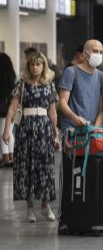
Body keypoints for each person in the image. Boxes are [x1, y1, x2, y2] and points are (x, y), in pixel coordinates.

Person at [2, 52, 60, 222]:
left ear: (43, 66)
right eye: (32, 65)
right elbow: (12, 108)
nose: (35, 67)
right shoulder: (22, 84)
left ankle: (45, 204)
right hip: (25, 128)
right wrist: (6, 130)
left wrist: (56, 133)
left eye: (38, 64)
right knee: (26, 166)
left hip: (43, 128)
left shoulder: (49, 85)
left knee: (45, 166)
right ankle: (29, 208)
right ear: (28, 66)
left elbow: (53, 111)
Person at [58, 39, 103, 131]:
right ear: (85, 54)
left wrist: (95, 129)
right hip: (71, 129)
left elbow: (102, 109)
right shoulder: (71, 72)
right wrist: (74, 118)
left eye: (101, 52)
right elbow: (62, 102)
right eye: (95, 51)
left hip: (92, 129)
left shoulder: (102, 77)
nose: (98, 55)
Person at [0, 53, 16, 167]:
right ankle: (11, 156)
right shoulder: (11, 77)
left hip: (2, 109)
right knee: (9, 131)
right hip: (10, 109)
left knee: (2, 132)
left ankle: (6, 157)